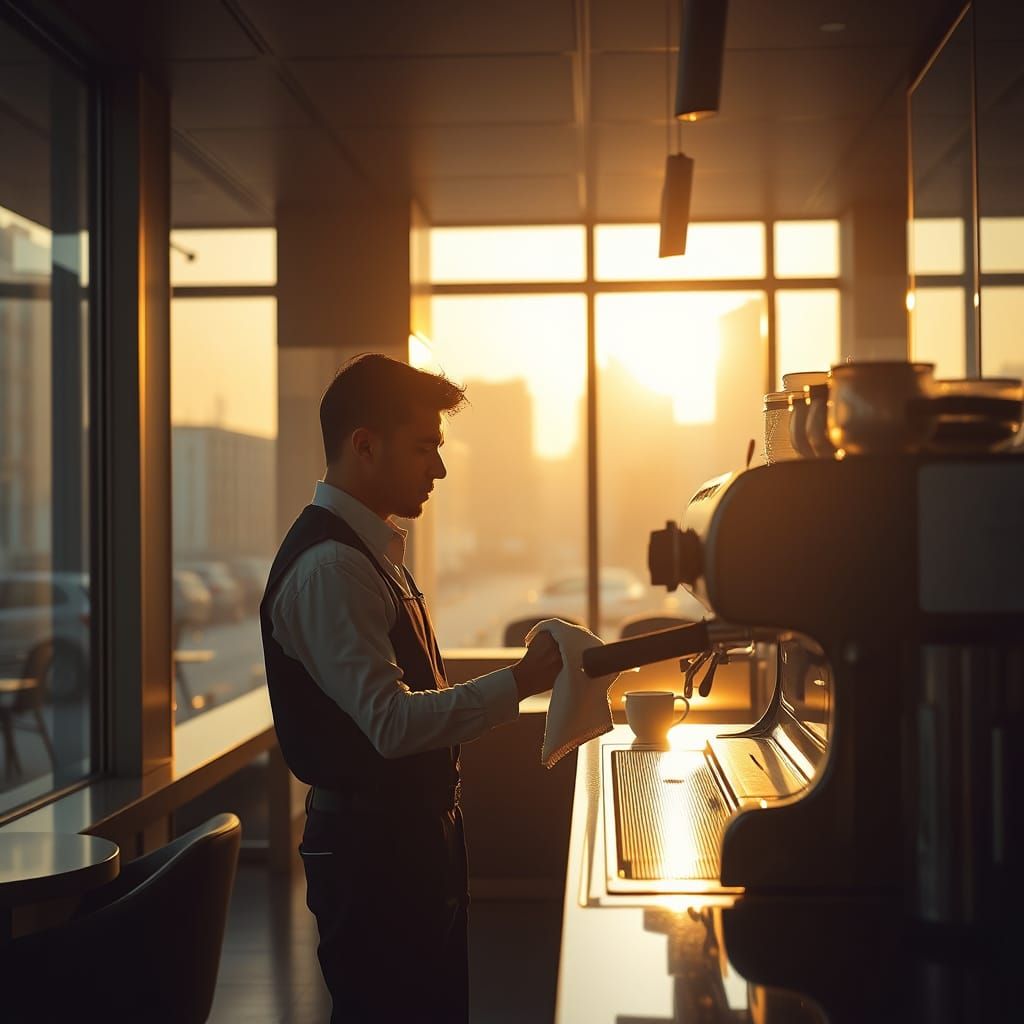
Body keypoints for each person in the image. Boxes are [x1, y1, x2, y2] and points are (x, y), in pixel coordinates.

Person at [259, 353, 563, 1023]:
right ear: (364, 445)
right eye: (426, 447)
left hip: (406, 842)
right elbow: (391, 725)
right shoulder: (331, 567)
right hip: (377, 856)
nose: (440, 468)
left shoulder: (371, 554)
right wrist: (521, 682)